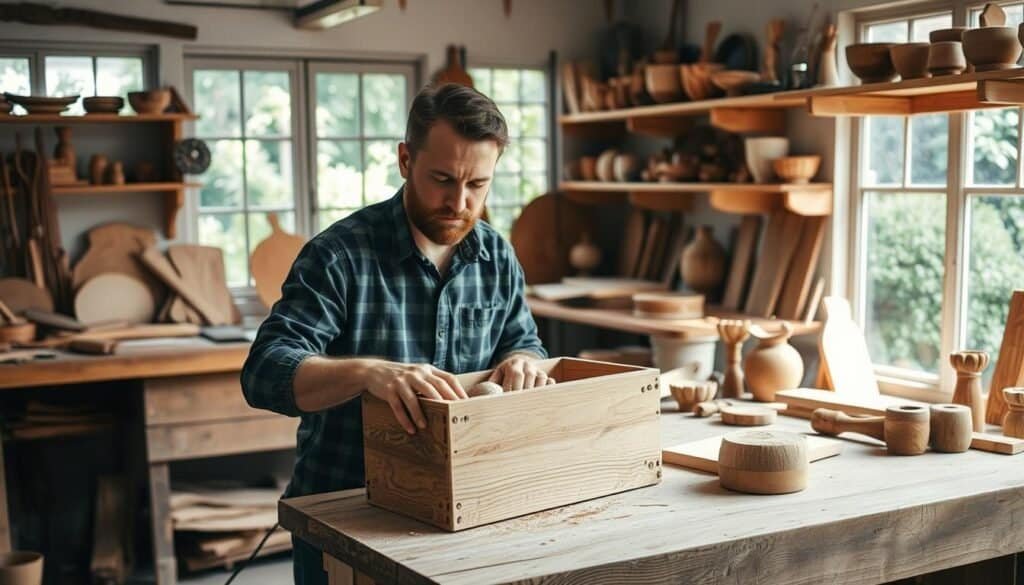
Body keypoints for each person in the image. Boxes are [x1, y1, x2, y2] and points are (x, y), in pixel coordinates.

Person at [240, 82, 550, 585]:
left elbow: (524, 340)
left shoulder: (497, 256)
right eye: (443, 179)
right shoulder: (338, 256)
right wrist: (367, 373)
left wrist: (523, 359)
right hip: (345, 514)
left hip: (463, 511)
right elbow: (263, 372)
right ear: (405, 159)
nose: (459, 202)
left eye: (477, 185)